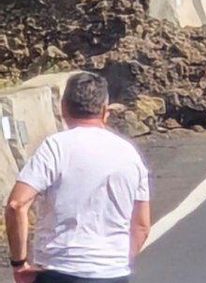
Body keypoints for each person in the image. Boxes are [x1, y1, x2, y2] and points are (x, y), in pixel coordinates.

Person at [6, 73, 151, 283]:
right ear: (105, 110)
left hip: (59, 271)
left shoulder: (55, 147)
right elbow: (141, 226)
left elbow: (16, 204)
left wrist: (19, 264)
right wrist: (112, 261)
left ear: (63, 107)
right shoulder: (130, 154)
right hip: (113, 274)